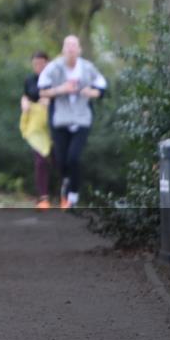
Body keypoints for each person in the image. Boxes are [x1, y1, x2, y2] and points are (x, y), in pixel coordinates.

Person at [38, 35, 107, 209]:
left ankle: (73, 196)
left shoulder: (88, 67)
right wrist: (62, 89)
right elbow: (42, 92)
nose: (70, 49)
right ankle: (66, 182)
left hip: (82, 118)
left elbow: (101, 88)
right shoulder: (54, 68)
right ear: (62, 50)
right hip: (60, 118)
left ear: (79, 49)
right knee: (61, 160)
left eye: (74, 46)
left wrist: (90, 92)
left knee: (74, 157)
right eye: (67, 45)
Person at [20, 51, 53, 209]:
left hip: (55, 125)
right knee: (40, 161)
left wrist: (50, 101)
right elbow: (26, 95)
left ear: (48, 63)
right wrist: (24, 101)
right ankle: (43, 198)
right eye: (35, 64)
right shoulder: (30, 80)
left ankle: (66, 196)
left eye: (42, 63)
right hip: (37, 126)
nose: (39, 67)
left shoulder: (56, 79)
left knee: (59, 160)